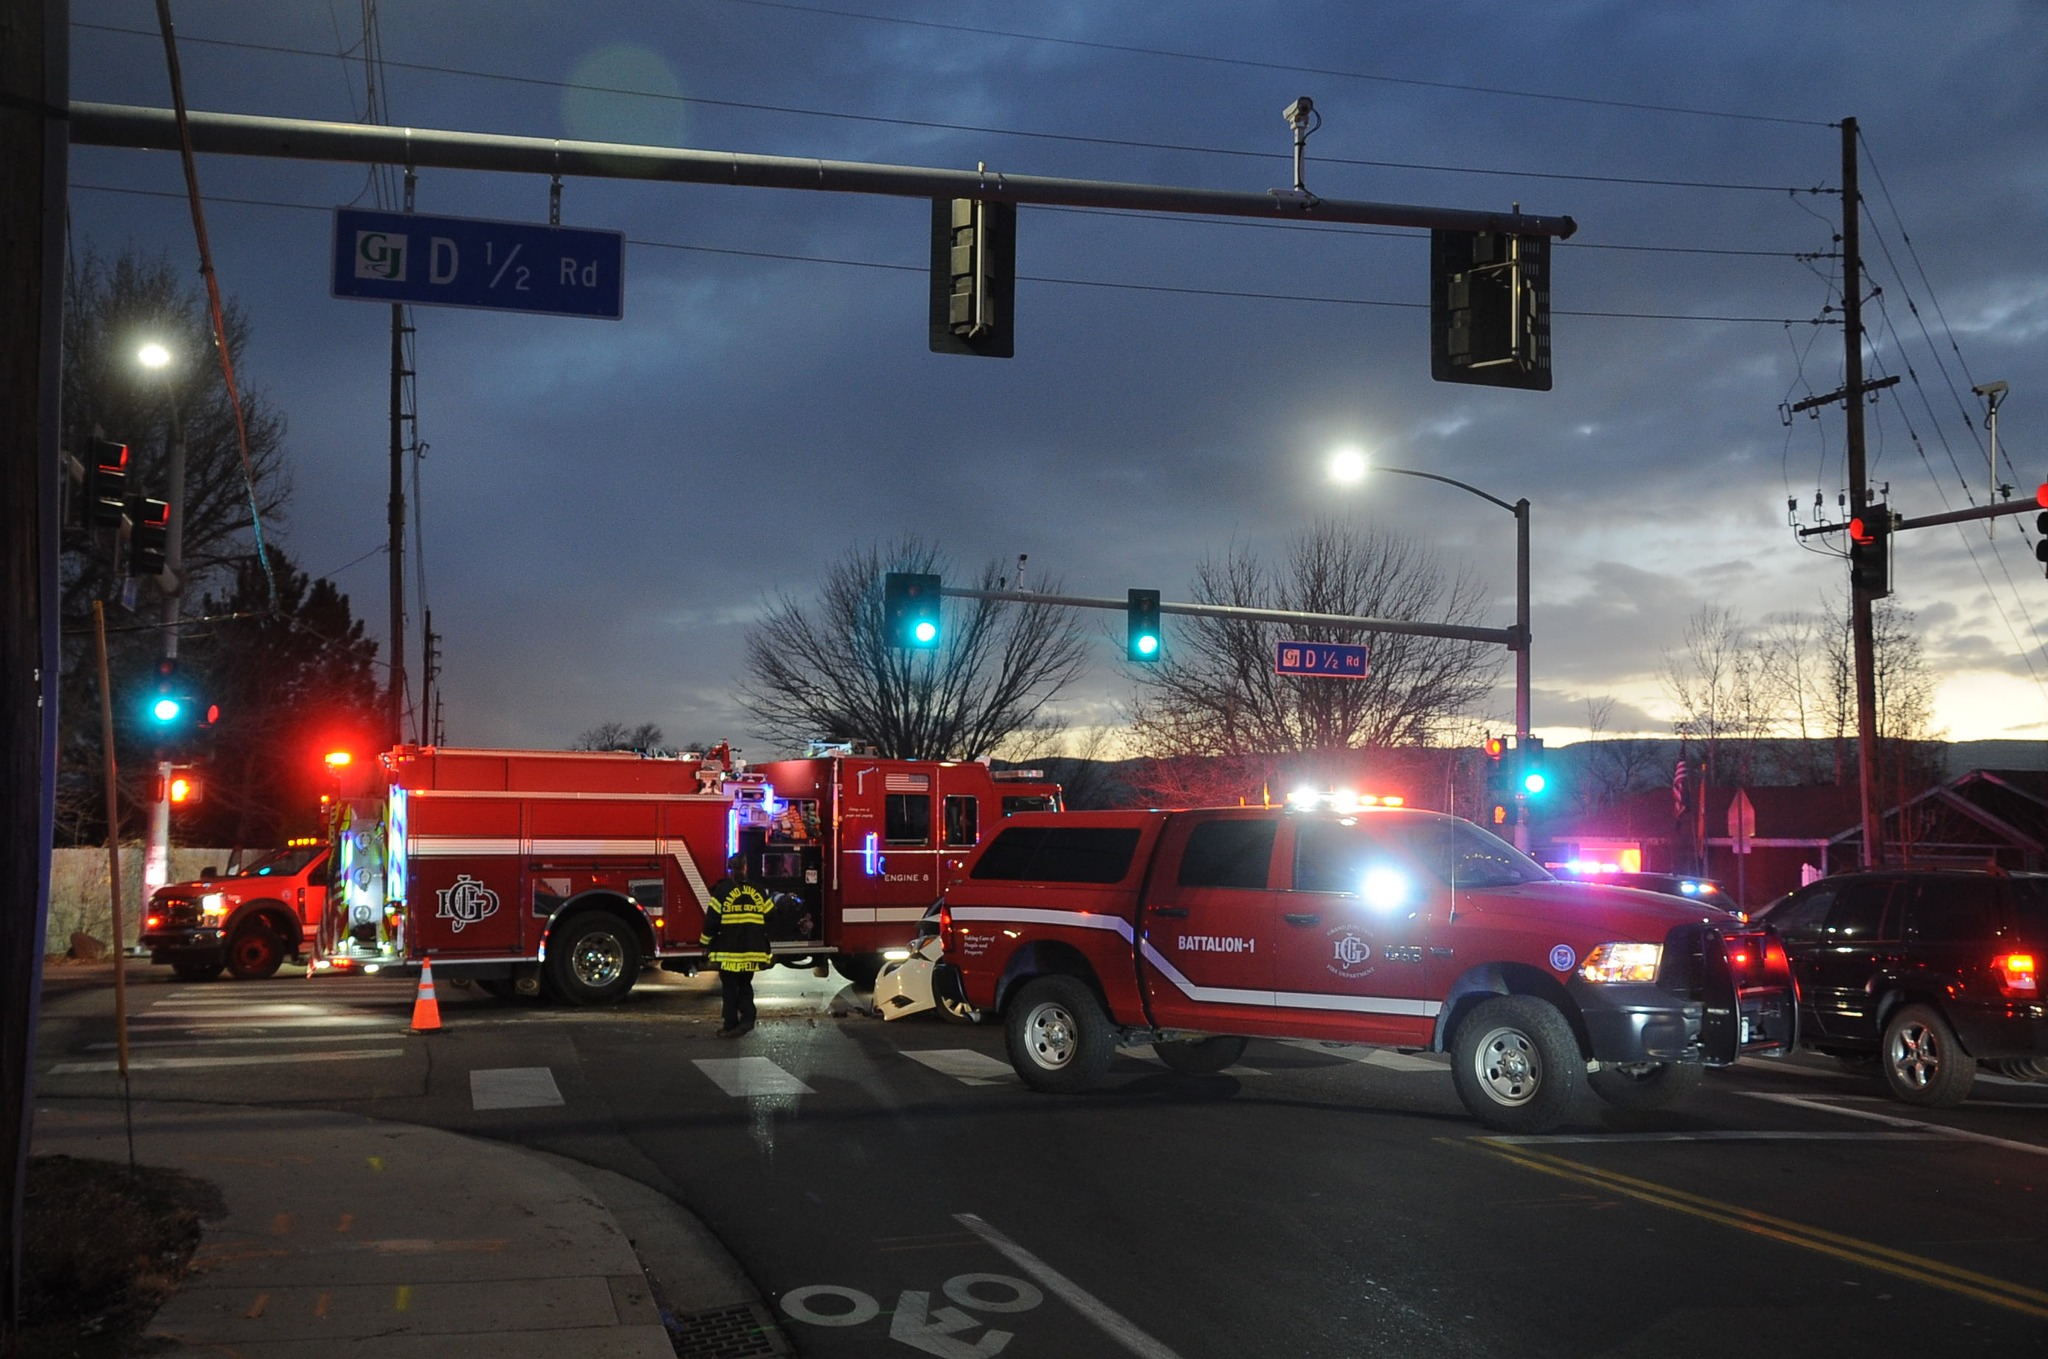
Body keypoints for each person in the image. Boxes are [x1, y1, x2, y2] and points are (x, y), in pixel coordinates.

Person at [700, 853, 773, 1037]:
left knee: (730, 988)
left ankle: (730, 1025)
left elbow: (711, 921)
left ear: (729, 869)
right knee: (745, 984)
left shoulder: (722, 891)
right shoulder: (758, 890)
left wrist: (704, 942)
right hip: (751, 952)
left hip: (728, 953)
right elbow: (771, 915)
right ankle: (748, 1018)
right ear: (745, 868)